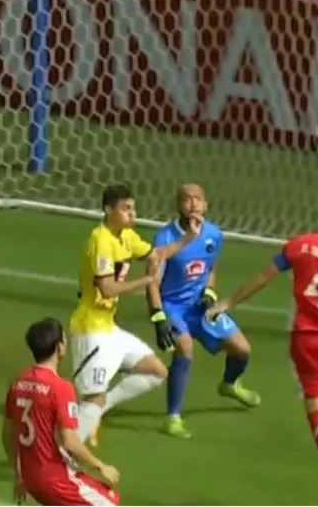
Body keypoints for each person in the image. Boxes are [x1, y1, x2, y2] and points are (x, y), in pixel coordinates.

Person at [206, 195, 318, 507]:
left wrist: (228, 302)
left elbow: (264, 276)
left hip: (306, 341)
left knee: (317, 410)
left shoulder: (300, 245)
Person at [71, 184, 200, 447]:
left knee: (156, 371)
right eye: (125, 208)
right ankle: (66, 451)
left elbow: (157, 254)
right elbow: (107, 289)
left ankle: (99, 410)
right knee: (89, 400)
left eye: (133, 208)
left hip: (109, 327)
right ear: (108, 210)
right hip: (90, 330)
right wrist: (146, 281)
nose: (132, 213)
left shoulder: (126, 236)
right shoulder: (100, 240)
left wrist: (188, 237)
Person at [148, 184, 259, 439]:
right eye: (187, 199)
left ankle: (229, 384)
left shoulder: (213, 234)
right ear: (179, 205)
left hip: (198, 307)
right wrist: (158, 317)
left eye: (198, 199)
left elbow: (210, 269)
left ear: (206, 204)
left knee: (243, 350)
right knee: (185, 348)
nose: (193, 204)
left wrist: (209, 294)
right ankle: (172, 418)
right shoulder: (165, 238)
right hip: (172, 307)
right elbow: (152, 282)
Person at [3, 317, 121, 506]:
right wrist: (100, 466)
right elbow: (70, 441)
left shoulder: (18, 382)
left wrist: (19, 473)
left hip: (31, 478)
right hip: (55, 478)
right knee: (109, 501)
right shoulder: (60, 388)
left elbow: (8, 434)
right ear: (59, 347)